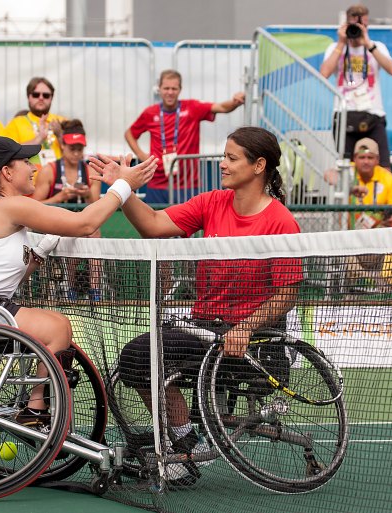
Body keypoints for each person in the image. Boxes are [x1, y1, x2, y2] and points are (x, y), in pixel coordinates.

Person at [90, 126, 302, 484]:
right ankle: (187, 441)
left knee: (140, 357)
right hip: (204, 328)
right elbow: (154, 226)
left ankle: (183, 449)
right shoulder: (211, 203)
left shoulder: (280, 221)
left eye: (232, 158)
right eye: (224, 155)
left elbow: (287, 293)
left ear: (258, 165)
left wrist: (246, 328)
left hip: (253, 339)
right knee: (135, 360)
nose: (223, 163)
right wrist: (121, 189)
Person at [0, 136, 156, 427]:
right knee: (58, 326)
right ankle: (36, 408)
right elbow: (85, 223)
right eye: (26, 162)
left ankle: (39, 403)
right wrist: (124, 185)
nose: (33, 168)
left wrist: (40, 252)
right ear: (7, 172)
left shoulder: (0, 209)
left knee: (55, 324)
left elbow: (3, 279)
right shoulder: (9, 206)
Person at [124, 69, 245, 204]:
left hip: (187, 185)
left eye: (174, 88)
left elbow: (221, 107)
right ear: (159, 89)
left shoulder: (192, 107)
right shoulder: (150, 113)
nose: (170, 92)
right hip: (156, 182)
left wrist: (235, 102)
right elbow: (129, 134)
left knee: (186, 224)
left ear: (180, 89)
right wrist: (142, 155)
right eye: (166, 88)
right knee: (151, 222)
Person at [32, 119, 103, 301]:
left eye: (80, 149)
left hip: (79, 225)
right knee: (76, 233)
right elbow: (34, 206)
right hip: (53, 225)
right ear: (62, 146)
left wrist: (86, 194)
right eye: (72, 148)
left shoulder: (89, 171)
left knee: (92, 232)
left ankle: (95, 291)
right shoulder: (49, 170)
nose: (77, 153)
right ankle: (70, 288)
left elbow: (96, 204)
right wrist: (59, 198)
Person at [320, 4, 392, 168]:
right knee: (347, 167)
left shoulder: (377, 46)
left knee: (383, 165)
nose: (358, 30)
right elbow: (324, 73)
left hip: (373, 112)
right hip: (344, 113)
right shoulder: (335, 48)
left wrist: (368, 43)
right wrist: (341, 43)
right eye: (354, 26)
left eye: (363, 26)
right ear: (346, 24)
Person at [2, 77, 65, 183]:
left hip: (59, 185)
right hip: (28, 186)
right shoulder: (16, 123)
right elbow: (7, 154)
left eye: (46, 95)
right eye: (36, 94)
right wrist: (38, 139)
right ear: (28, 97)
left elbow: (77, 154)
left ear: (51, 98)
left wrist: (60, 136)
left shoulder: (62, 121)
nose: (41, 98)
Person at [349, 137, 392, 228]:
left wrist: (391, 218)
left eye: (370, 158)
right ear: (354, 159)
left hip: (378, 229)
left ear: (377, 160)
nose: (366, 162)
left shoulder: (389, 178)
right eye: (361, 157)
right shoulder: (347, 171)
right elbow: (331, 174)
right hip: (348, 228)